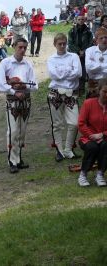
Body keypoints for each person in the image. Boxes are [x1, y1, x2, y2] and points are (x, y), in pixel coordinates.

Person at [0, 38, 38, 173]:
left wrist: (25, 87)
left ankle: (18, 159)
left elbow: (35, 84)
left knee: (22, 132)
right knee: (13, 131)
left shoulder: (28, 64)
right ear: (14, 47)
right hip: (12, 101)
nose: (23, 50)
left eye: (25, 48)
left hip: (25, 100)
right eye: (20, 47)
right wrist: (14, 90)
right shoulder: (6, 63)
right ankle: (12, 161)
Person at [47, 33, 82, 162]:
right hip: (55, 93)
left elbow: (78, 73)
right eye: (59, 44)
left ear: (66, 43)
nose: (62, 46)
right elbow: (53, 75)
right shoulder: (51, 59)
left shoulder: (74, 56)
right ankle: (59, 150)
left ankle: (68, 149)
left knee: (74, 122)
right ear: (55, 44)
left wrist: (61, 73)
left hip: (71, 93)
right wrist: (68, 72)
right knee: (57, 124)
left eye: (64, 43)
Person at [77, 79, 107, 187]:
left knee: (105, 145)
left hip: (105, 137)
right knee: (92, 147)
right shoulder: (88, 103)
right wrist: (91, 135)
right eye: (105, 91)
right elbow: (81, 123)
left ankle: (100, 174)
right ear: (99, 91)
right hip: (88, 137)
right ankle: (83, 174)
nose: (106, 95)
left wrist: (102, 135)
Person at [68, 15, 94, 93]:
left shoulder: (88, 31)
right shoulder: (72, 31)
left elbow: (90, 43)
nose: (80, 21)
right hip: (75, 54)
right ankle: (74, 89)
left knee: (83, 72)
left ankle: (82, 89)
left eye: (82, 19)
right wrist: (78, 51)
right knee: (75, 72)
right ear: (76, 20)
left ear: (85, 20)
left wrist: (84, 51)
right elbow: (70, 43)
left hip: (85, 55)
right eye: (79, 19)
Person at [85, 27, 107, 98]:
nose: (104, 40)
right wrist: (104, 66)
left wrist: (95, 66)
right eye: (101, 38)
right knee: (92, 106)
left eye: (106, 37)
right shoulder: (90, 50)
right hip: (93, 84)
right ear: (96, 40)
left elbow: (92, 68)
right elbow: (88, 68)